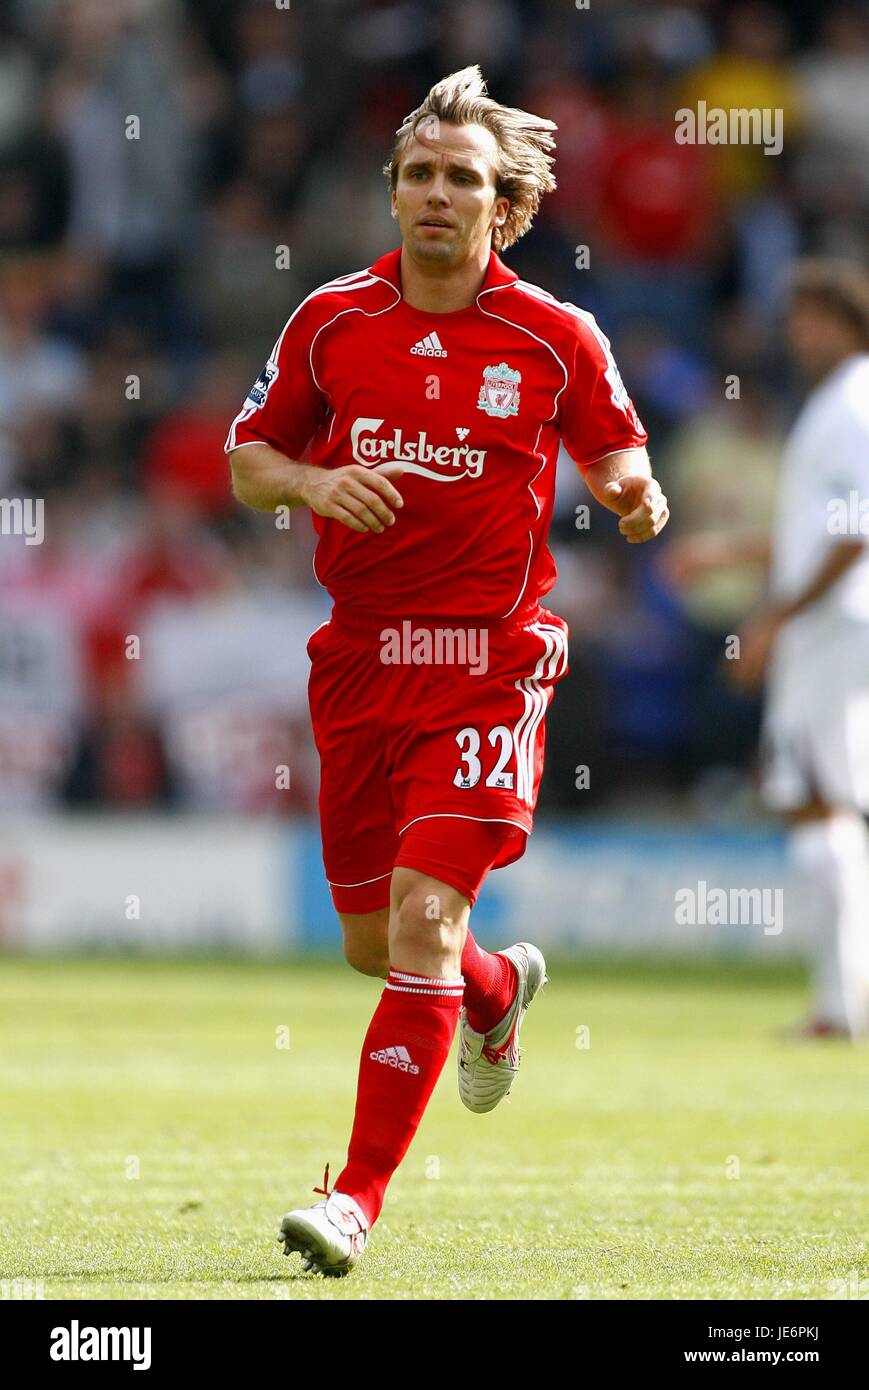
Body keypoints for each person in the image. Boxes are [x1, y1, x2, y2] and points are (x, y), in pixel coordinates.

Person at [225, 66, 668, 1276]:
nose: (432, 193)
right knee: (379, 946)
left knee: (422, 921)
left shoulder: (554, 335)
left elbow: (624, 459)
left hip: (487, 661)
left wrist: (631, 496)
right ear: (392, 192)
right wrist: (312, 480)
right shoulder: (328, 319)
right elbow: (248, 460)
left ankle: (353, 1197)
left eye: (459, 178)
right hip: (361, 661)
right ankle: (491, 993)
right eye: (415, 173)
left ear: (503, 206)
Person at [668, 259, 869, 1041]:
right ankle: (839, 1000)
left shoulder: (850, 404)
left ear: (845, 321)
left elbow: (855, 534)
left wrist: (774, 619)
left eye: (811, 319)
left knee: (818, 803)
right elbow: (817, 532)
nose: (798, 334)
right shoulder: (835, 404)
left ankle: (839, 1007)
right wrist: (725, 558)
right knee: (821, 802)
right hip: (830, 622)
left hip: (832, 627)